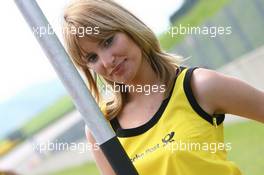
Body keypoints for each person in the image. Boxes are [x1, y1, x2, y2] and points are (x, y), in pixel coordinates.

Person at [62, 0, 264, 174]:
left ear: (128, 28)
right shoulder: (101, 128)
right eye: (92, 57)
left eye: (108, 41)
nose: (107, 61)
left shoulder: (199, 86)